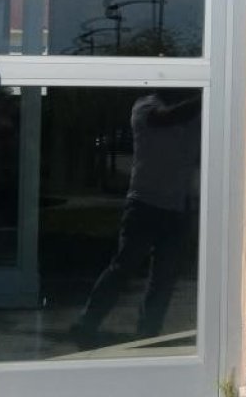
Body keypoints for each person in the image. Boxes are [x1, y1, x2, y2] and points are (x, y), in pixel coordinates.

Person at [71, 89, 200, 348]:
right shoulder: (145, 107)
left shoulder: (194, 113)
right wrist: (207, 96)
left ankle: (148, 333)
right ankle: (87, 322)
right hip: (144, 204)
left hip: (178, 207)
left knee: (164, 277)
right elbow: (167, 117)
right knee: (123, 267)